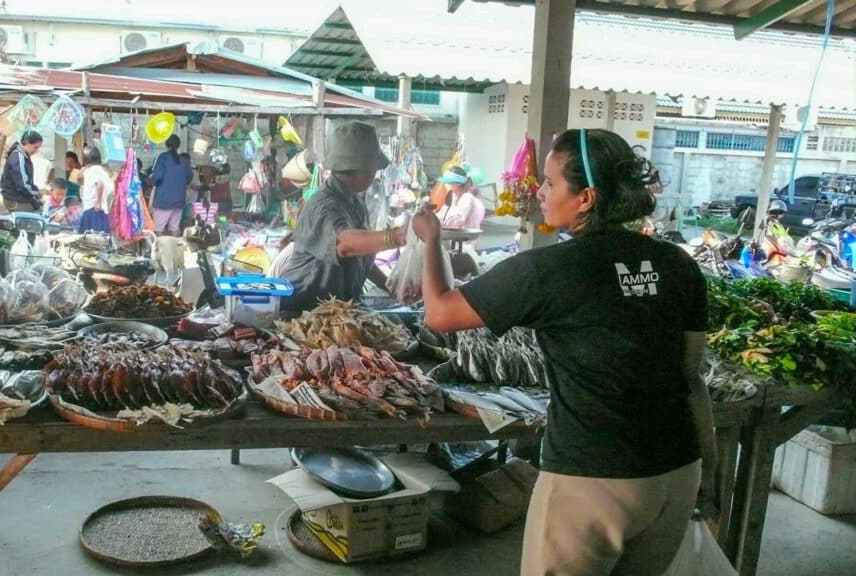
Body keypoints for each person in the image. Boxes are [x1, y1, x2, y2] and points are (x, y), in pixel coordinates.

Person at [411, 128, 716, 576]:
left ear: (586, 198)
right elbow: (692, 380)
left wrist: (431, 238)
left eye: (551, 182)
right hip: (675, 474)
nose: (539, 190)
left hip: (592, 479)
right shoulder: (679, 266)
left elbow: (440, 312)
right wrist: (710, 477)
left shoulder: (548, 269)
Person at [282, 122, 406, 312]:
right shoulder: (324, 206)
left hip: (341, 310)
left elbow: (361, 257)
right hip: (305, 311)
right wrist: (398, 237)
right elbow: (344, 245)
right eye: (373, 168)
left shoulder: (355, 202)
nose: (375, 174)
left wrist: (390, 287)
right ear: (360, 169)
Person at [150, 134, 192, 236]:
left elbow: (157, 177)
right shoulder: (184, 160)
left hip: (164, 201)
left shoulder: (163, 158)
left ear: (166, 145)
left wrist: (151, 179)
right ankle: (176, 251)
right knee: (175, 229)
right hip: (179, 200)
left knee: (158, 230)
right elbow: (189, 177)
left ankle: (160, 251)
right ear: (178, 145)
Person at [0, 130, 44, 213]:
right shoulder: (18, 157)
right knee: (41, 213)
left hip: (17, 197)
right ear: (27, 143)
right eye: (35, 147)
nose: (37, 150)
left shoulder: (22, 156)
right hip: (14, 200)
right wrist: (37, 193)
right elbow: (23, 184)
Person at [79, 146, 113, 233]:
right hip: (103, 212)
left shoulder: (91, 170)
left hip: (92, 210)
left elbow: (99, 184)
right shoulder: (103, 172)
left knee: (88, 241)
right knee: (102, 240)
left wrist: (98, 203)